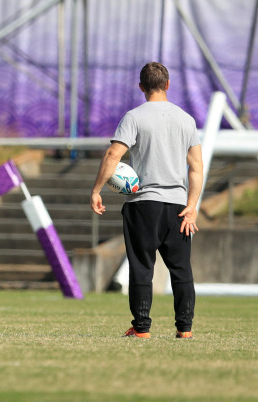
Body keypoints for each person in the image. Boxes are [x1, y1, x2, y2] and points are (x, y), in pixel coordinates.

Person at [90, 62, 203, 339]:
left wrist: (96, 190)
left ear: (141, 87)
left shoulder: (134, 117)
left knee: (142, 267)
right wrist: (192, 206)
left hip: (143, 204)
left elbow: (113, 156)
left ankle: (141, 329)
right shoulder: (186, 119)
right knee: (181, 269)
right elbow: (196, 167)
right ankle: (184, 328)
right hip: (178, 205)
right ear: (167, 84)